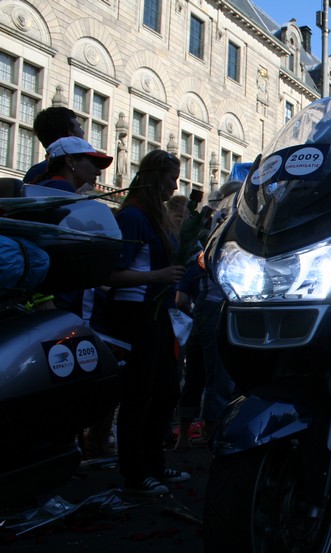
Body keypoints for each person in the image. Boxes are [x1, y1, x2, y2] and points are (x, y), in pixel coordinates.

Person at [100, 149, 187, 496]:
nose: (175, 187)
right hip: (135, 314)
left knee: (167, 390)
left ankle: (154, 463)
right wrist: (157, 276)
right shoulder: (133, 217)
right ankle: (135, 473)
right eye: (171, 179)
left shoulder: (153, 216)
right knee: (139, 394)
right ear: (155, 178)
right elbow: (110, 274)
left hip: (157, 313)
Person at [172, 181, 241, 451]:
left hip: (203, 304)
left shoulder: (212, 223)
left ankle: (184, 436)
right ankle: (212, 434)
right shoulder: (231, 223)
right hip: (218, 305)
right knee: (217, 375)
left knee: (195, 375)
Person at [24, 107, 86, 184]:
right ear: (70, 133)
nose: (83, 132)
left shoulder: (36, 171)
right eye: (79, 127)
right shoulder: (66, 174)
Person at [30, 136, 112, 192]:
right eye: (93, 163)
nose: (99, 172)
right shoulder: (61, 187)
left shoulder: (49, 186)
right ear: (70, 161)